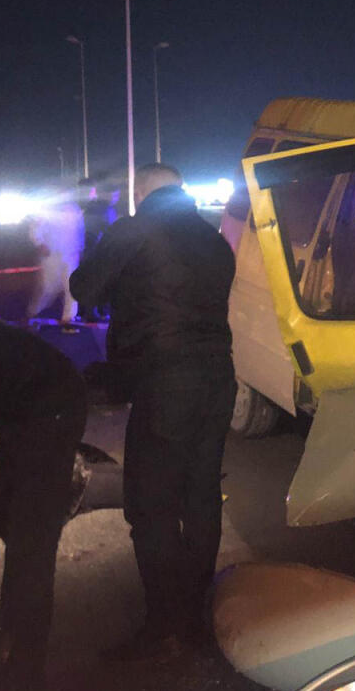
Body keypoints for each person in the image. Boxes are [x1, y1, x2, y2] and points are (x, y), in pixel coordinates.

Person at [69, 163, 236, 659]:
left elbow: (83, 288)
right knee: (201, 497)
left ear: (141, 192)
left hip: (164, 380)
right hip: (218, 377)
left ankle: (165, 627)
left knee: (151, 504)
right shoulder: (213, 240)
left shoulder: (135, 228)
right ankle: (197, 615)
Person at [0, 311, 89, 691]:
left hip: (54, 404)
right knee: (12, 521)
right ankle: (10, 628)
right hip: (22, 409)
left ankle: (25, 673)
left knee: (31, 540)